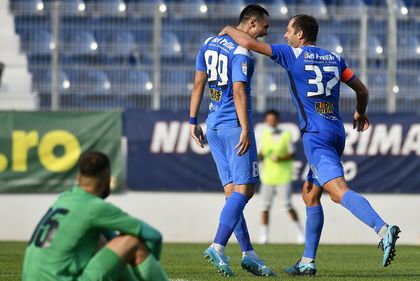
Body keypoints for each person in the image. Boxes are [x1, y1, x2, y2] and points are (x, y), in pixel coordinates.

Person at [220, 14, 400, 276]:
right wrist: (360, 113)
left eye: (289, 30)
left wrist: (228, 28)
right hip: (336, 130)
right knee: (310, 194)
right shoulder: (335, 59)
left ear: (300, 35)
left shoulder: (292, 54)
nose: (284, 35)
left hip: (315, 135)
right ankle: (307, 261)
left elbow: (247, 43)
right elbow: (362, 90)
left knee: (338, 192)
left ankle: (383, 229)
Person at [189, 4, 275, 277]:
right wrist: (246, 129)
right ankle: (218, 246)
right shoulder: (242, 53)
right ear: (251, 23)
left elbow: (198, 84)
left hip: (212, 124)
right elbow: (238, 91)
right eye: (264, 26)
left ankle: (249, 253)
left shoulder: (209, 43)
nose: (265, 31)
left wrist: (192, 121)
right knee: (245, 192)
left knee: (231, 195)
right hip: (233, 126)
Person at [22, 151, 168, 281]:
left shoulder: (64, 198)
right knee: (132, 242)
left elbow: (111, 239)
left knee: (99, 241)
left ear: (78, 178)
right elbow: (154, 236)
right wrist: (150, 266)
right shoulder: (95, 207)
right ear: (107, 180)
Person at [257, 109, 304, 245]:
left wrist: (280, 158)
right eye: (269, 119)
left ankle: (300, 232)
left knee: (287, 205)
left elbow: (292, 153)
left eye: (273, 119)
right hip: (267, 177)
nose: (271, 122)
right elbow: (260, 154)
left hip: (283, 176)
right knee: (264, 206)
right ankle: (264, 236)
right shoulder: (263, 135)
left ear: (277, 120)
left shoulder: (285, 135)